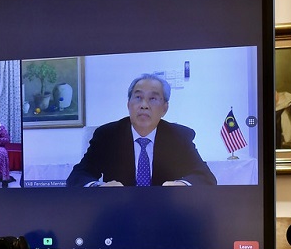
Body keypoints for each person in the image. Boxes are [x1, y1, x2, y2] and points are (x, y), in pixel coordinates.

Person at [66, 74, 217, 187]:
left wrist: (183, 184)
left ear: (165, 108)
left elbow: (206, 177)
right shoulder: (107, 135)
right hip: (118, 213)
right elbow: (78, 176)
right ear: (128, 104)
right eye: (138, 97)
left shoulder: (179, 136)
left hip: (166, 213)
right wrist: (99, 187)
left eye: (153, 99)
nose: (144, 105)